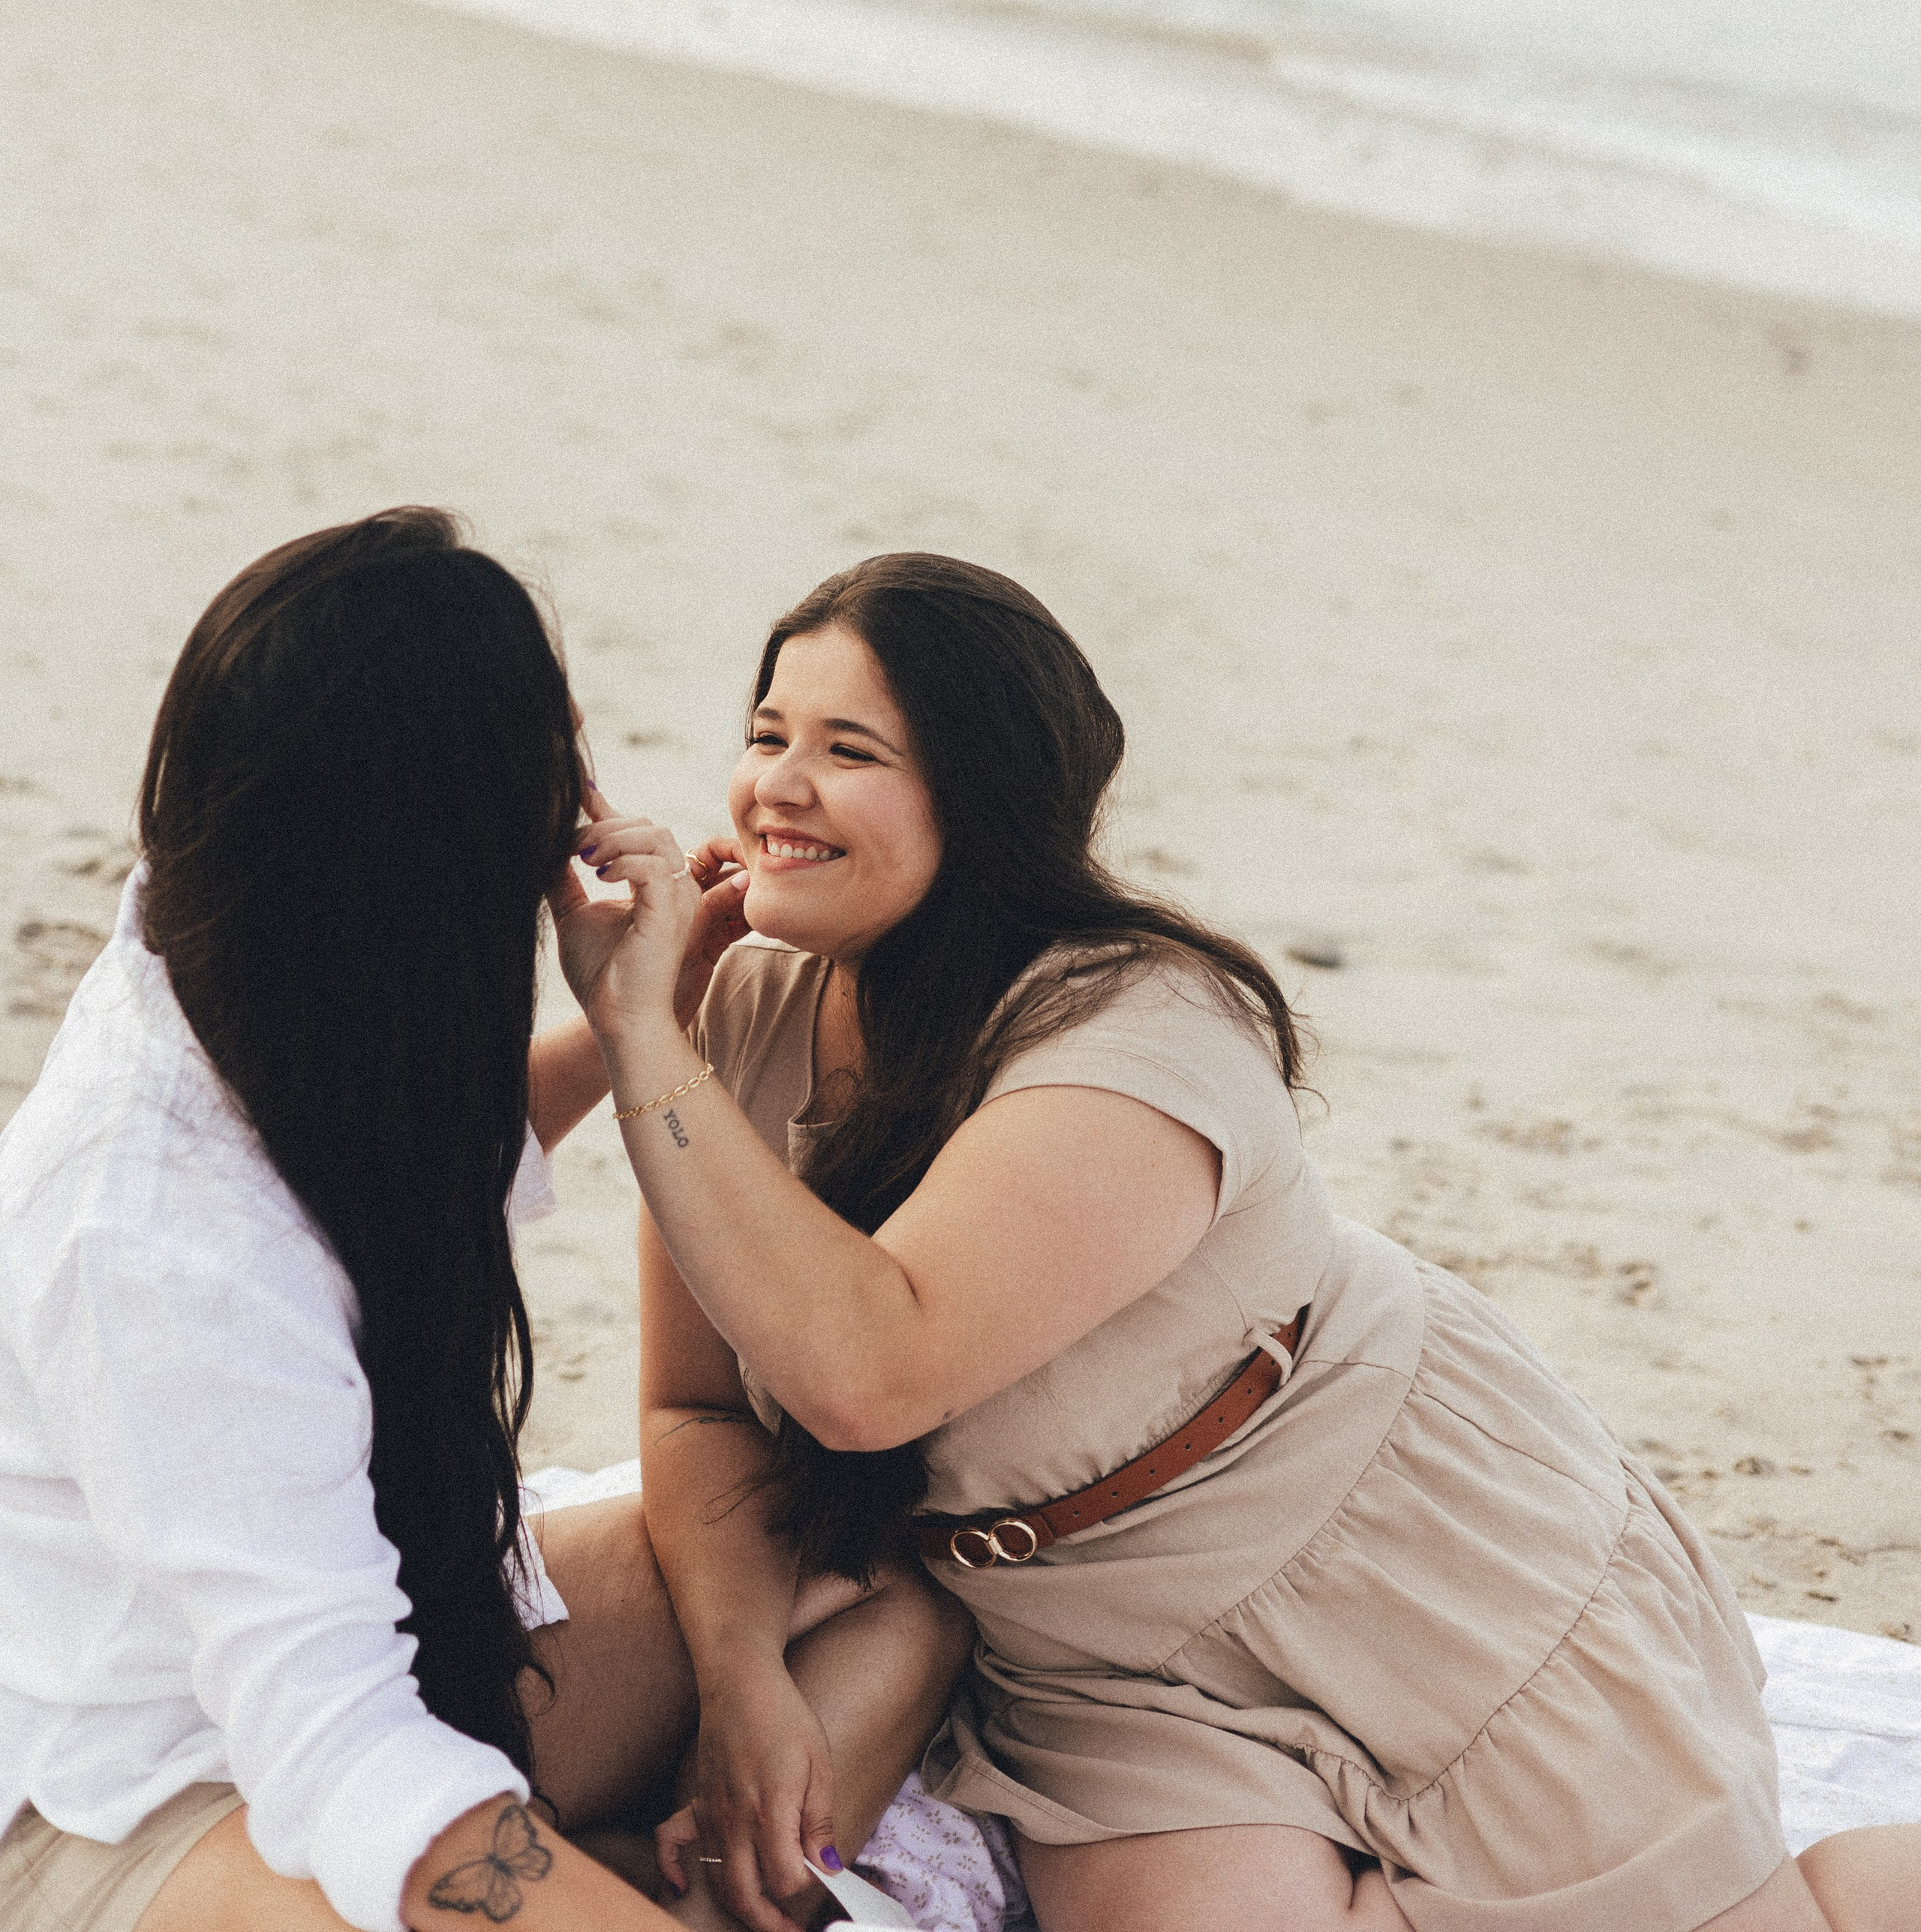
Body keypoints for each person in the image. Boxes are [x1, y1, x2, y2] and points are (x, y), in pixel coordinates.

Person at [569, 550, 1921, 1932]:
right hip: (1092, 1652)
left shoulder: (1141, 1021)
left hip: (1386, 1551)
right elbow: (694, 1407)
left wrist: (635, 1037)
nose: (775, 786)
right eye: (765, 734)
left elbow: (867, 1372)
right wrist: (745, 1683)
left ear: (984, 799)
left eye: (848, 749)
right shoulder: (733, 1025)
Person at [0, 512, 965, 1932]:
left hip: (366, 1646)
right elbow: (337, 1746)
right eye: (547, 755)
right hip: (123, 1788)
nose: (582, 787)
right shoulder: (150, 1234)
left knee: (871, 1575)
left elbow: (369, 1179)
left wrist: (636, 1020)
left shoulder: (244, 938)